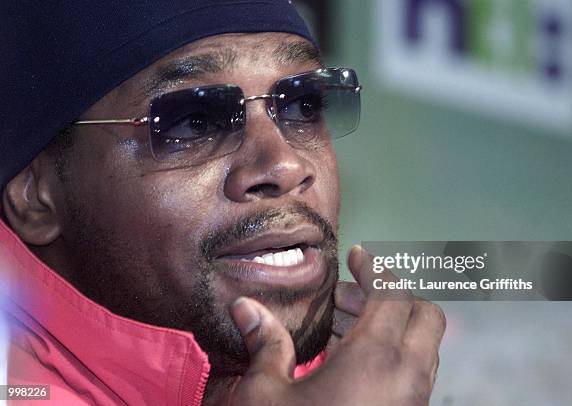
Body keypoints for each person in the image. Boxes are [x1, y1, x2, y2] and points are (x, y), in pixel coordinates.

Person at [0, 1, 445, 404]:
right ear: (35, 198)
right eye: (193, 122)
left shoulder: (350, 380)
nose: (285, 165)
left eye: (301, 106)